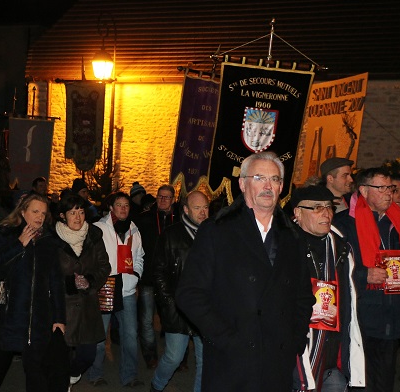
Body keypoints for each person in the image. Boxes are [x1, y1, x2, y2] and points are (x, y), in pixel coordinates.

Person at [176, 151, 314, 391]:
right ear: (242, 183)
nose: (268, 186)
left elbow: (303, 297)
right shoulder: (217, 231)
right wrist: (226, 339)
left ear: (281, 187)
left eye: (275, 179)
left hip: (277, 360)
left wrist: (295, 340)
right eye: (259, 177)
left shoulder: (293, 236)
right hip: (232, 359)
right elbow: (189, 294)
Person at [333, 167, 400, 392]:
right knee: (361, 383)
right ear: (364, 191)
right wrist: (363, 274)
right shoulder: (343, 224)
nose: (389, 193)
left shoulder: (398, 223)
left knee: (384, 383)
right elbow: (332, 270)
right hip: (362, 318)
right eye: (382, 188)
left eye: (390, 188)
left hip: (393, 315)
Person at [0, 194, 68, 392]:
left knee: (37, 375)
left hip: (36, 321)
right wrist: (19, 244)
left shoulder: (47, 241)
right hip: (4, 318)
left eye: (43, 213)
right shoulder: (5, 232)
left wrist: (59, 318)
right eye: (35, 211)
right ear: (22, 211)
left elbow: (56, 282)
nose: (40, 217)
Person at [290, 185, 365, 391]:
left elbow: (350, 305)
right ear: (297, 213)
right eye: (316, 208)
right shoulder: (285, 247)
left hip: (333, 357)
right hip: (296, 355)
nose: (326, 213)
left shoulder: (340, 247)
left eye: (329, 207)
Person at [150, 190, 209, 392]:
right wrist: (168, 303)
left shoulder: (213, 234)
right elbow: (158, 272)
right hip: (179, 308)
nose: (203, 212)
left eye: (205, 208)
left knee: (205, 361)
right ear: (185, 209)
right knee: (174, 357)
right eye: (197, 208)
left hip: (205, 309)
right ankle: (157, 386)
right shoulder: (171, 234)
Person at [86, 192, 145, 387]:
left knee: (130, 336)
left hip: (127, 289)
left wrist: (136, 274)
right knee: (100, 336)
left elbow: (140, 256)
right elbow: (89, 257)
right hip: (105, 288)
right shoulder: (98, 229)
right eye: (118, 204)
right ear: (111, 207)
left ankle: (129, 376)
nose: (123, 208)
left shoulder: (134, 230)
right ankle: (95, 374)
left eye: (126, 205)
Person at [54, 193, 111, 389]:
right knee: (60, 354)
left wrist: (89, 281)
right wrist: (70, 282)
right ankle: (61, 383)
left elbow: (105, 266)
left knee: (88, 354)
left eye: (81, 212)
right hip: (63, 307)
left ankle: (70, 375)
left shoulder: (93, 236)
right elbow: (47, 274)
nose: (77, 217)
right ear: (63, 215)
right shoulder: (52, 239)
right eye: (72, 212)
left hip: (88, 306)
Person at [135, 184, 178, 369]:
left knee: (172, 318)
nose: (163, 200)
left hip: (171, 279)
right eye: (160, 196)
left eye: (167, 197)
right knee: (146, 319)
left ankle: (177, 355)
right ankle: (150, 355)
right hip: (148, 277)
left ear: (173, 200)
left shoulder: (179, 220)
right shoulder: (144, 218)